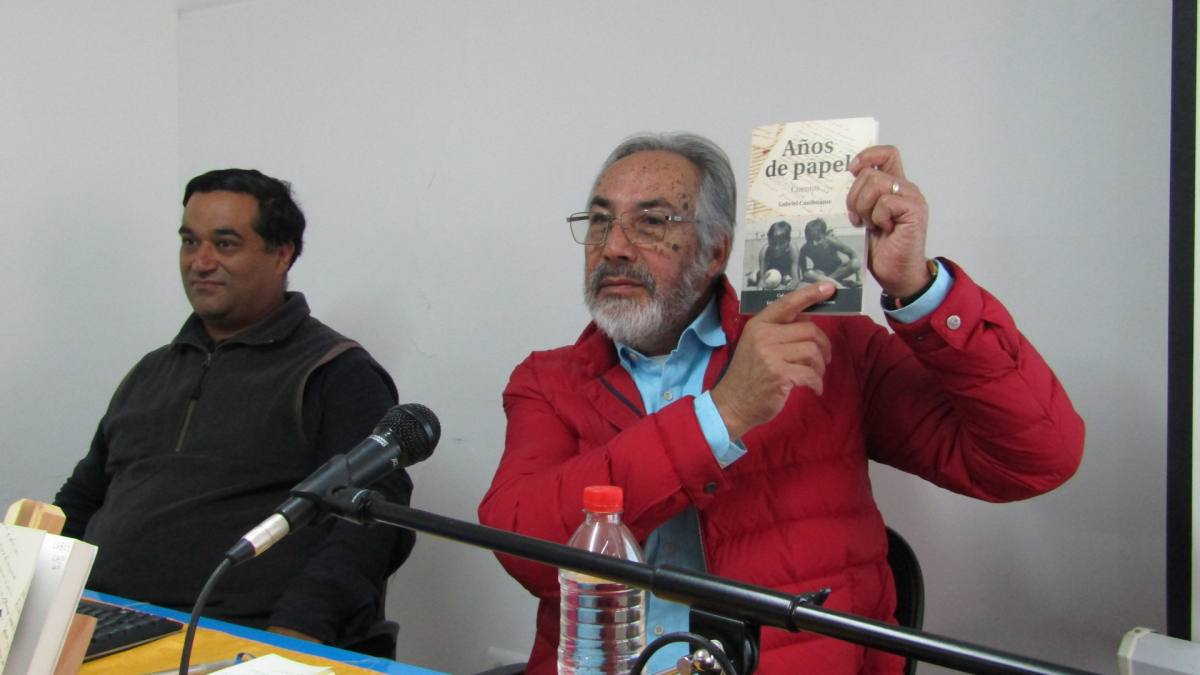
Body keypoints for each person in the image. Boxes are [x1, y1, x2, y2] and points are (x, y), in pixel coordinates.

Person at [477, 133, 1084, 675]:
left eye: (652, 221)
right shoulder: (547, 381)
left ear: (716, 251)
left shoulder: (825, 345)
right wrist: (722, 415)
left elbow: (1034, 458)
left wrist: (919, 289)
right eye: (600, 221)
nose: (613, 246)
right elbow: (526, 554)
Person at [54, 169, 414, 654]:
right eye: (189, 242)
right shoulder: (153, 371)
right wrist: (31, 594)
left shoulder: (334, 372)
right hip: (104, 623)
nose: (200, 262)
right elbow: (81, 500)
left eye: (225, 244)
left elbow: (374, 521)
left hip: (234, 638)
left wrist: (300, 631)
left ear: (281, 254)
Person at [800, 217, 862, 287]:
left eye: (818, 239)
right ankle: (837, 283)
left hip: (838, 271)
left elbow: (852, 253)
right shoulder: (805, 249)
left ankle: (830, 282)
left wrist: (859, 278)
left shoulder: (831, 242)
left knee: (855, 263)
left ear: (824, 235)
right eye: (809, 240)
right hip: (821, 274)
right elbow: (804, 271)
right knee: (807, 273)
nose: (814, 243)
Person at [754, 220, 802, 290]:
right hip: (771, 269)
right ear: (768, 240)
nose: (777, 248)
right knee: (752, 278)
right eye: (773, 243)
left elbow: (796, 279)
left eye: (782, 243)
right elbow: (762, 280)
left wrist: (790, 287)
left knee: (788, 278)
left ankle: (783, 277)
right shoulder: (764, 251)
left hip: (786, 269)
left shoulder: (793, 250)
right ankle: (756, 270)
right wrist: (761, 285)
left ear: (788, 241)